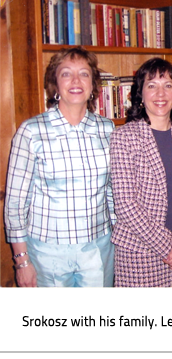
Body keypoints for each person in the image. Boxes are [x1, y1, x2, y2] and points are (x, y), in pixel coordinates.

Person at [4, 46, 116, 287]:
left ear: (93, 84)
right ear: (55, 83)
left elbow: (112, 192)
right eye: (66, 73)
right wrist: (22, 261)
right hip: (46, 252)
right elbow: (15, 202)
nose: (76, 81)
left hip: (98, 247)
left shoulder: (108, 129)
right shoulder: (32, 131)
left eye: (84, 74)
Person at [110, 58, 172, 287]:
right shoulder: (124, 137)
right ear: (140, 93)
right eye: (152, 85)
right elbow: (126, 204)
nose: (161, 93)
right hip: (139, 253)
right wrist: (169, 246)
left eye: (168, 85)